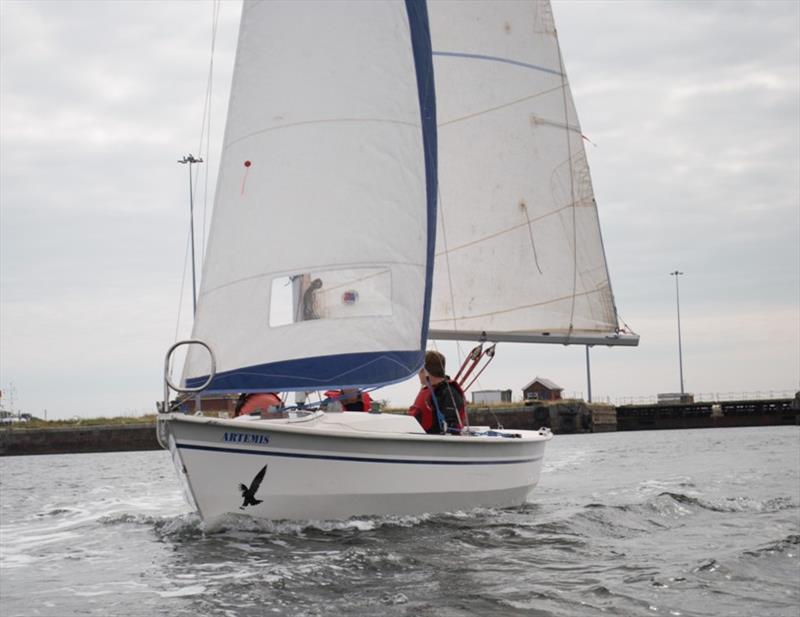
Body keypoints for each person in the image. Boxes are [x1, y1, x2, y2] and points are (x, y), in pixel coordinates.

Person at [408, 350, 466, 434]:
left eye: (420, 370)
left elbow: (451, 427)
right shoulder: (432, 390)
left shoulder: (448, 393)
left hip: (434, 443)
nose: (418, 374)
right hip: (421, 439)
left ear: (426, 371)